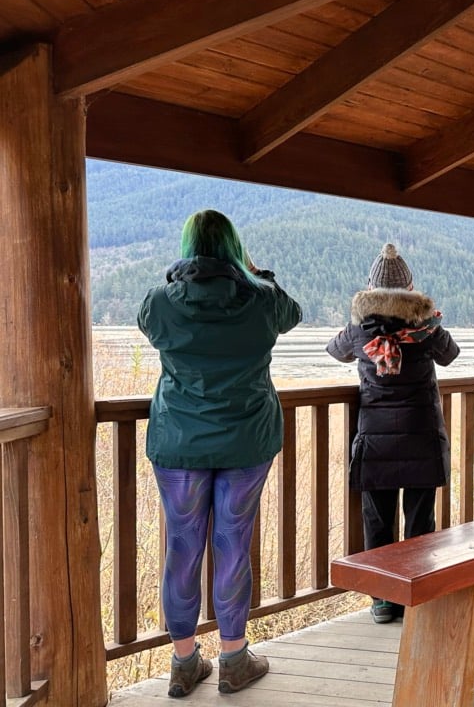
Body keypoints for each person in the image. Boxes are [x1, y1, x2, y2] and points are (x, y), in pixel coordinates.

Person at [137, 209, 302, 697]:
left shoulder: (162, 301)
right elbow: (294, 314)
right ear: (234, 248)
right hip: (246, 440)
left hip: (179, 443)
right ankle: (233, 658)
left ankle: (184, 663)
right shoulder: (262, 298)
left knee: (182, 548)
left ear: (187, 248)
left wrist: (176, 276)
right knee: (233, 543)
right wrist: (257, 272)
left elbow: (149, 322)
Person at [326, 243, 460, 622]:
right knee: (420, 520)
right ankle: (416, 590)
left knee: (378, 519)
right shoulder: (425, 327)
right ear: (411, 288)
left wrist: (354, 324)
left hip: (376, 437)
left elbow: (334, 350)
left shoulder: (359, 330)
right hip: (421, 434)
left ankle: (383, 599)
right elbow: (451, 354)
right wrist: (433, 320)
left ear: (369, 291)